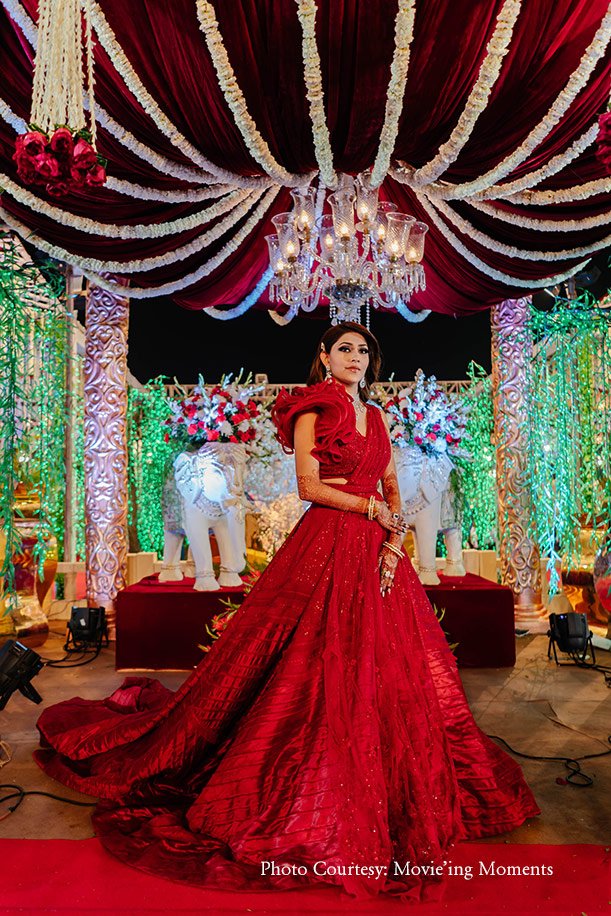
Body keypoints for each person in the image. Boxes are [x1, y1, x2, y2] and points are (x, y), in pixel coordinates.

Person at [34, 321, 540, 903]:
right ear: (324, 356)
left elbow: (394, 482)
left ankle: (388, 777)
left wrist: (395, 533)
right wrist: (371, 509)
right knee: (309, 658)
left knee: (397, 664)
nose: (355, 357)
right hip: (329, 540)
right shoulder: (312, 409)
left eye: (363, 350)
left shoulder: (378, 417)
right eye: (345, 349)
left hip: (380, 549)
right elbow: (308, 485)